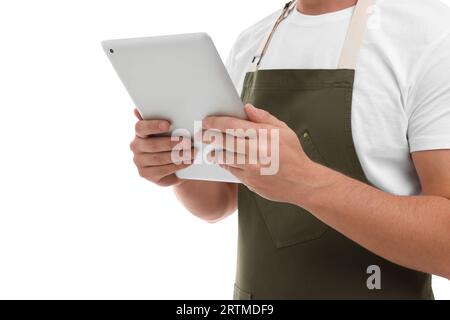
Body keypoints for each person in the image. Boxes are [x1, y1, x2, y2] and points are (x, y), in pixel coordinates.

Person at [129, 0, 450, 299]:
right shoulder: (252, 43)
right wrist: (177, 169)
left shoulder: (428, 37)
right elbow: (222, 199)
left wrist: (304, 181)